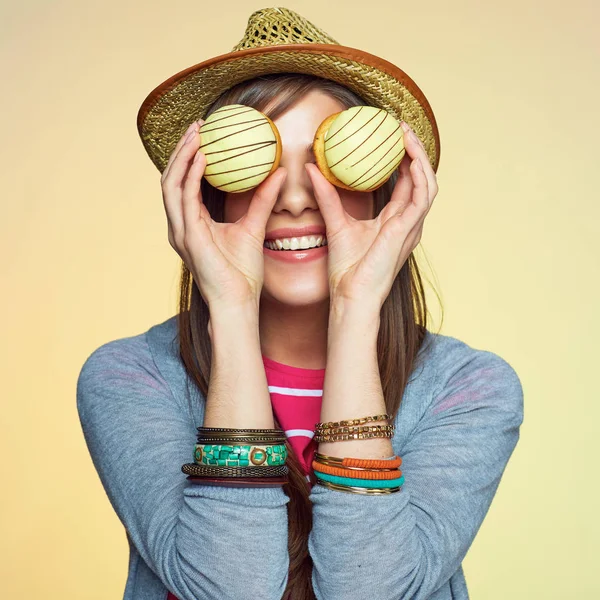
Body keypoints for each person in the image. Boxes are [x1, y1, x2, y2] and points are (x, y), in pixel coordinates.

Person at [76, 7, 524, 600]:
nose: (292, 199)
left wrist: (358, 306)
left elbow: (374, 593)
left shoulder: (468, 390)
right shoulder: (130, 378)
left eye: (328, 166)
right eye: (255, 168)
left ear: (384, 192)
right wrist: (231, 309)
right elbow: (229, 589)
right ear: (207, 197)